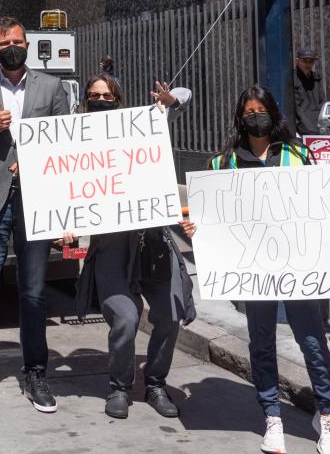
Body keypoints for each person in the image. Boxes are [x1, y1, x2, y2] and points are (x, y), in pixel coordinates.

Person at [180, 85, 330, 454]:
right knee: (262, 343)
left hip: (298, 270)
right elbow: (212, 218)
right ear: (240, 118)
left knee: (312, 342)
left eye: (261, 110)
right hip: (255, 274)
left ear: (272, 112)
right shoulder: (223, 164)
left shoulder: (299, 156)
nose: (256, 117)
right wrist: (197, 230)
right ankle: (272, 415)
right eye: (249, 112)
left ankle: (327, 414)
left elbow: (327, 206)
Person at [0, 16, 70, 412]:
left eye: (18, 41)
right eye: (5, 43)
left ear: (27, 43)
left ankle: (36, 372)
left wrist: (38, 165)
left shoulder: (52, 88)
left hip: (36, 201)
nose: (12, 47)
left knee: (34, 293)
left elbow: (64, 142)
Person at [69, 77, 195, 420]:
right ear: (85, 99)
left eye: (107, 95)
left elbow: (185, 95)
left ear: (118, 99)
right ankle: (119, 387)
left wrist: (169, 100)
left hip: (151, 241)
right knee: (124, 318)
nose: (100, 99)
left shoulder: (141, 126)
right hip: (110, 246)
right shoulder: (73, 137)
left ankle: (155, 383)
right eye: (94, 95)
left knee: (170, 314)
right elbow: (62, 187)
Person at [293, 48, 324, 136]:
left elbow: (322, 103)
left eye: (311, 62)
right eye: (305, 61)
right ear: (297, 61)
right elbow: (294, 108)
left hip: (318, 128)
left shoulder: (316, 78)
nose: (308, 64)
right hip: (300, 129)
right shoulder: (292, 79)